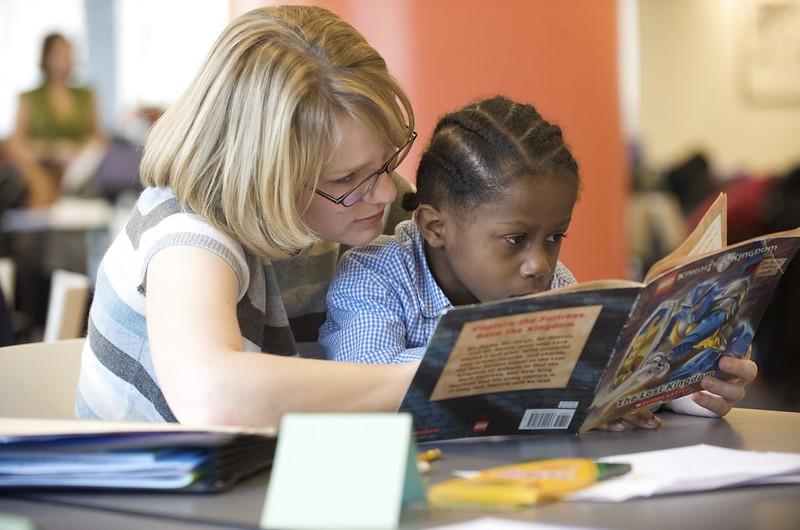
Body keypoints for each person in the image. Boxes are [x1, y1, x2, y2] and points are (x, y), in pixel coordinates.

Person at [319, 96, 757, 429]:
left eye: (554, 238)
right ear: (436, 228)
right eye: (515, 240)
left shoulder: (549, 282)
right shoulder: (372, 276)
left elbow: (602, 369)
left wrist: (684, 386)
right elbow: (366, 379)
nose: (539, 264)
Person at [75, 6, 419, 427]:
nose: (386, 191)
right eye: (346, 177)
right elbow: (210, 395)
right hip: (144, 486)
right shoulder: (188, 233)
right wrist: (425, 381)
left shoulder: (365, 202)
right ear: (265, 173)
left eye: (387, 161)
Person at [6, 33, 106, 206]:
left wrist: (75, 152)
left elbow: (98, 138)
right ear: (45, 57)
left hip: (80, 169)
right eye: (59, 54)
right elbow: (16, 143)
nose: (65, 59)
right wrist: (51, 151)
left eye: (69, 54)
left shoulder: (86, 96)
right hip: (39, 166)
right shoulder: (29, 98)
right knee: (33, 180)